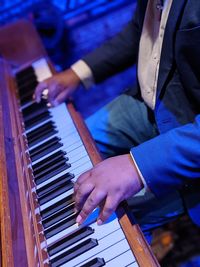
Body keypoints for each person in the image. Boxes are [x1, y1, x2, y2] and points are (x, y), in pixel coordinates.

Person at [34, 0, 200, 241]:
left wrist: (137, 166)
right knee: (59, 158)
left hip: (188, 140)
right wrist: (77, 74)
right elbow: (141, 30)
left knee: (100, 224)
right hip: (151, 105)